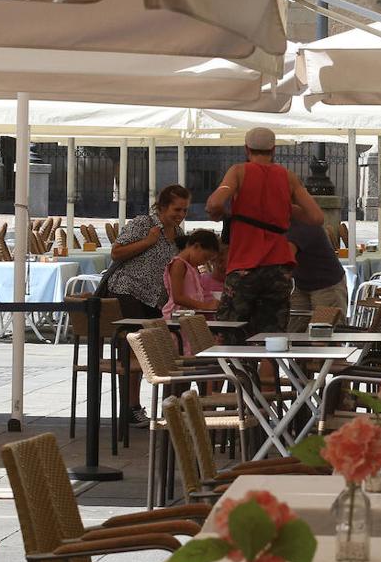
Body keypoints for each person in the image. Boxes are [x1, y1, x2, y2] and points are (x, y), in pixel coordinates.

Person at [206, 126, 324, 343]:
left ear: (246, 148)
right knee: (272, 337)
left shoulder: (239, 171)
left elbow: (214, 203)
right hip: (279, 268)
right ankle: (267, 376)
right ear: (274, 149)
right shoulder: (288, 176)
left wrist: (221, 212)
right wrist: (284, 210)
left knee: (229, 331)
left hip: (244, 266)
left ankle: (235, 376)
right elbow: (316, 218)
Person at [107, 183, 191, 427]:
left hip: (155, 298)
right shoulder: (145, 224)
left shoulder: (176, 233)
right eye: (176, 209)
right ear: (163, 206)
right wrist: (147, 242)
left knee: (161, 347)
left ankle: (168, 407)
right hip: (129, 291)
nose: (180, 215)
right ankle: (130, 407)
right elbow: (116, 252)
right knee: (134, 349)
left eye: (184, 210)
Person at [287, 219, 348, 331]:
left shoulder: (300, 225)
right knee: (293, 331)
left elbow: (285, 265)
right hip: (302, 284)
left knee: (323, 334)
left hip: (327, 285)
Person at [161, 228, 221, 319]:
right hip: (177, 316)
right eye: (205, 257)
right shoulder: (179, 264)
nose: (204, 262)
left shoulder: (192, 267)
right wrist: (204, 306)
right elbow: (177, 297)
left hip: (188, 316)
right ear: (196, 246)